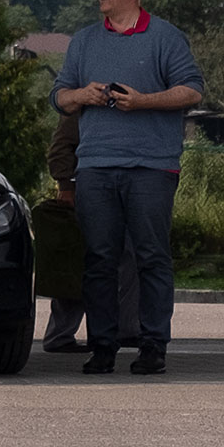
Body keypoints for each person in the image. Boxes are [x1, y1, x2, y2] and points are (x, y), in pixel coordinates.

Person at [51, 0, 204, 376]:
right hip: (96, 167)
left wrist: (143, 102)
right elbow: (59, 97)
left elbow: (192, 91)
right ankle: (102, 346)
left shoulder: (165, 37)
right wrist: (83, 94)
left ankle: (153, 345)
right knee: (98, 258)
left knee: (151, 257)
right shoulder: (83, 41)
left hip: (152, 167)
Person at [38, 110, 140, 353]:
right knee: (83, 262)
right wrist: (66, 186)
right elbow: (61, 146)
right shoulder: (86, 104)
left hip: (123, 188)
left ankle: (126, 329)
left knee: (130, 258)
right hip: (87, 192)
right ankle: (59, 334)